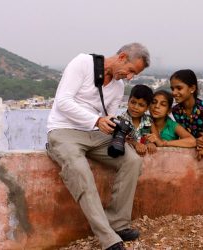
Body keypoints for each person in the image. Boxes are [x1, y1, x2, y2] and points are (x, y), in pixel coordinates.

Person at [46, 42, 150, 250]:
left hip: (95, 135)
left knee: (132, 161)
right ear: (121, 57)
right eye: (130, 71)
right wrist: (96, 120)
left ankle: (118, 223)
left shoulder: (118, 86)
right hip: (63, 131)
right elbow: (63, 102)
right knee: (80, 171)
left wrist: (118, 129)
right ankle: (107, 237)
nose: (129, 77)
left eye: (134, 75)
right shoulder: (83, 63)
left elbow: (107, 117)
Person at [170, 69, 203, 160]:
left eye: (179, 88)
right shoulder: (175, 111)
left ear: (192, 88)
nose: (174, 93)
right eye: (172, 89)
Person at [117, 84, 157, 157]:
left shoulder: (149, 120)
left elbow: (155, 137)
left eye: (141, 105)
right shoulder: (121, 119)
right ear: (128, 101)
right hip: (127, 157)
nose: (135, 107)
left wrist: (151, 143)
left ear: (147, 107)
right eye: (133, 102)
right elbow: (121, 138)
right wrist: (136, 144)